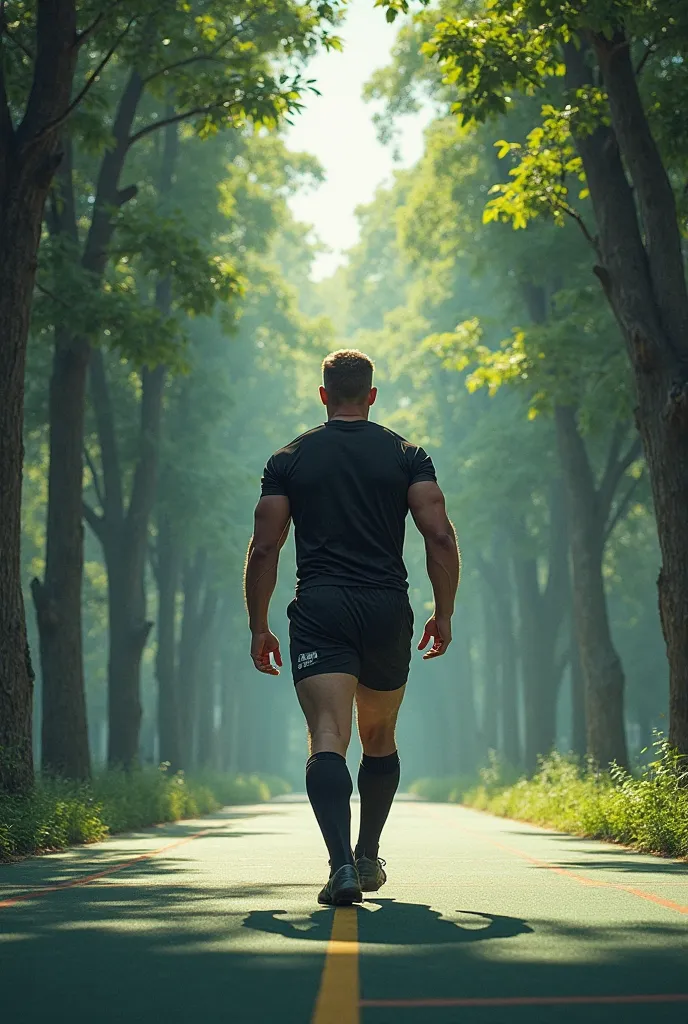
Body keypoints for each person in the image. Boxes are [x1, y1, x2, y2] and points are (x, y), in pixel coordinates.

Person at [244, 349, 460, 906]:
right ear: (370, 395)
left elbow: (266, 544)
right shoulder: (408, 454)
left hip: (321, 608)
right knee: (380, 736)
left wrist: (258, 625)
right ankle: (367, 856)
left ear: (322, 395)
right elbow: (439, 535)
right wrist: (445, 611)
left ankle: (340, 867)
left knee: (328, 737)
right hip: (387, 608)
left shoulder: (288, 458)